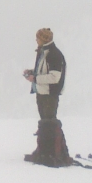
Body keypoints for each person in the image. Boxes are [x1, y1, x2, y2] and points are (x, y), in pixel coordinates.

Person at [23, 28, 70, 167]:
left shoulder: (53, 54)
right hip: (42, 92)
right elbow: (46, 72)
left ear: (43, 39)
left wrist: (35, 78)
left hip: (50, 94)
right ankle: (45, 151)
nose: (36, 40)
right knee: (45, 124)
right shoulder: (44, 52)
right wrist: (33, 73)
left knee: (49, 123)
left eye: (38, 38)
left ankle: (51, 153)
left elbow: (55, 77)